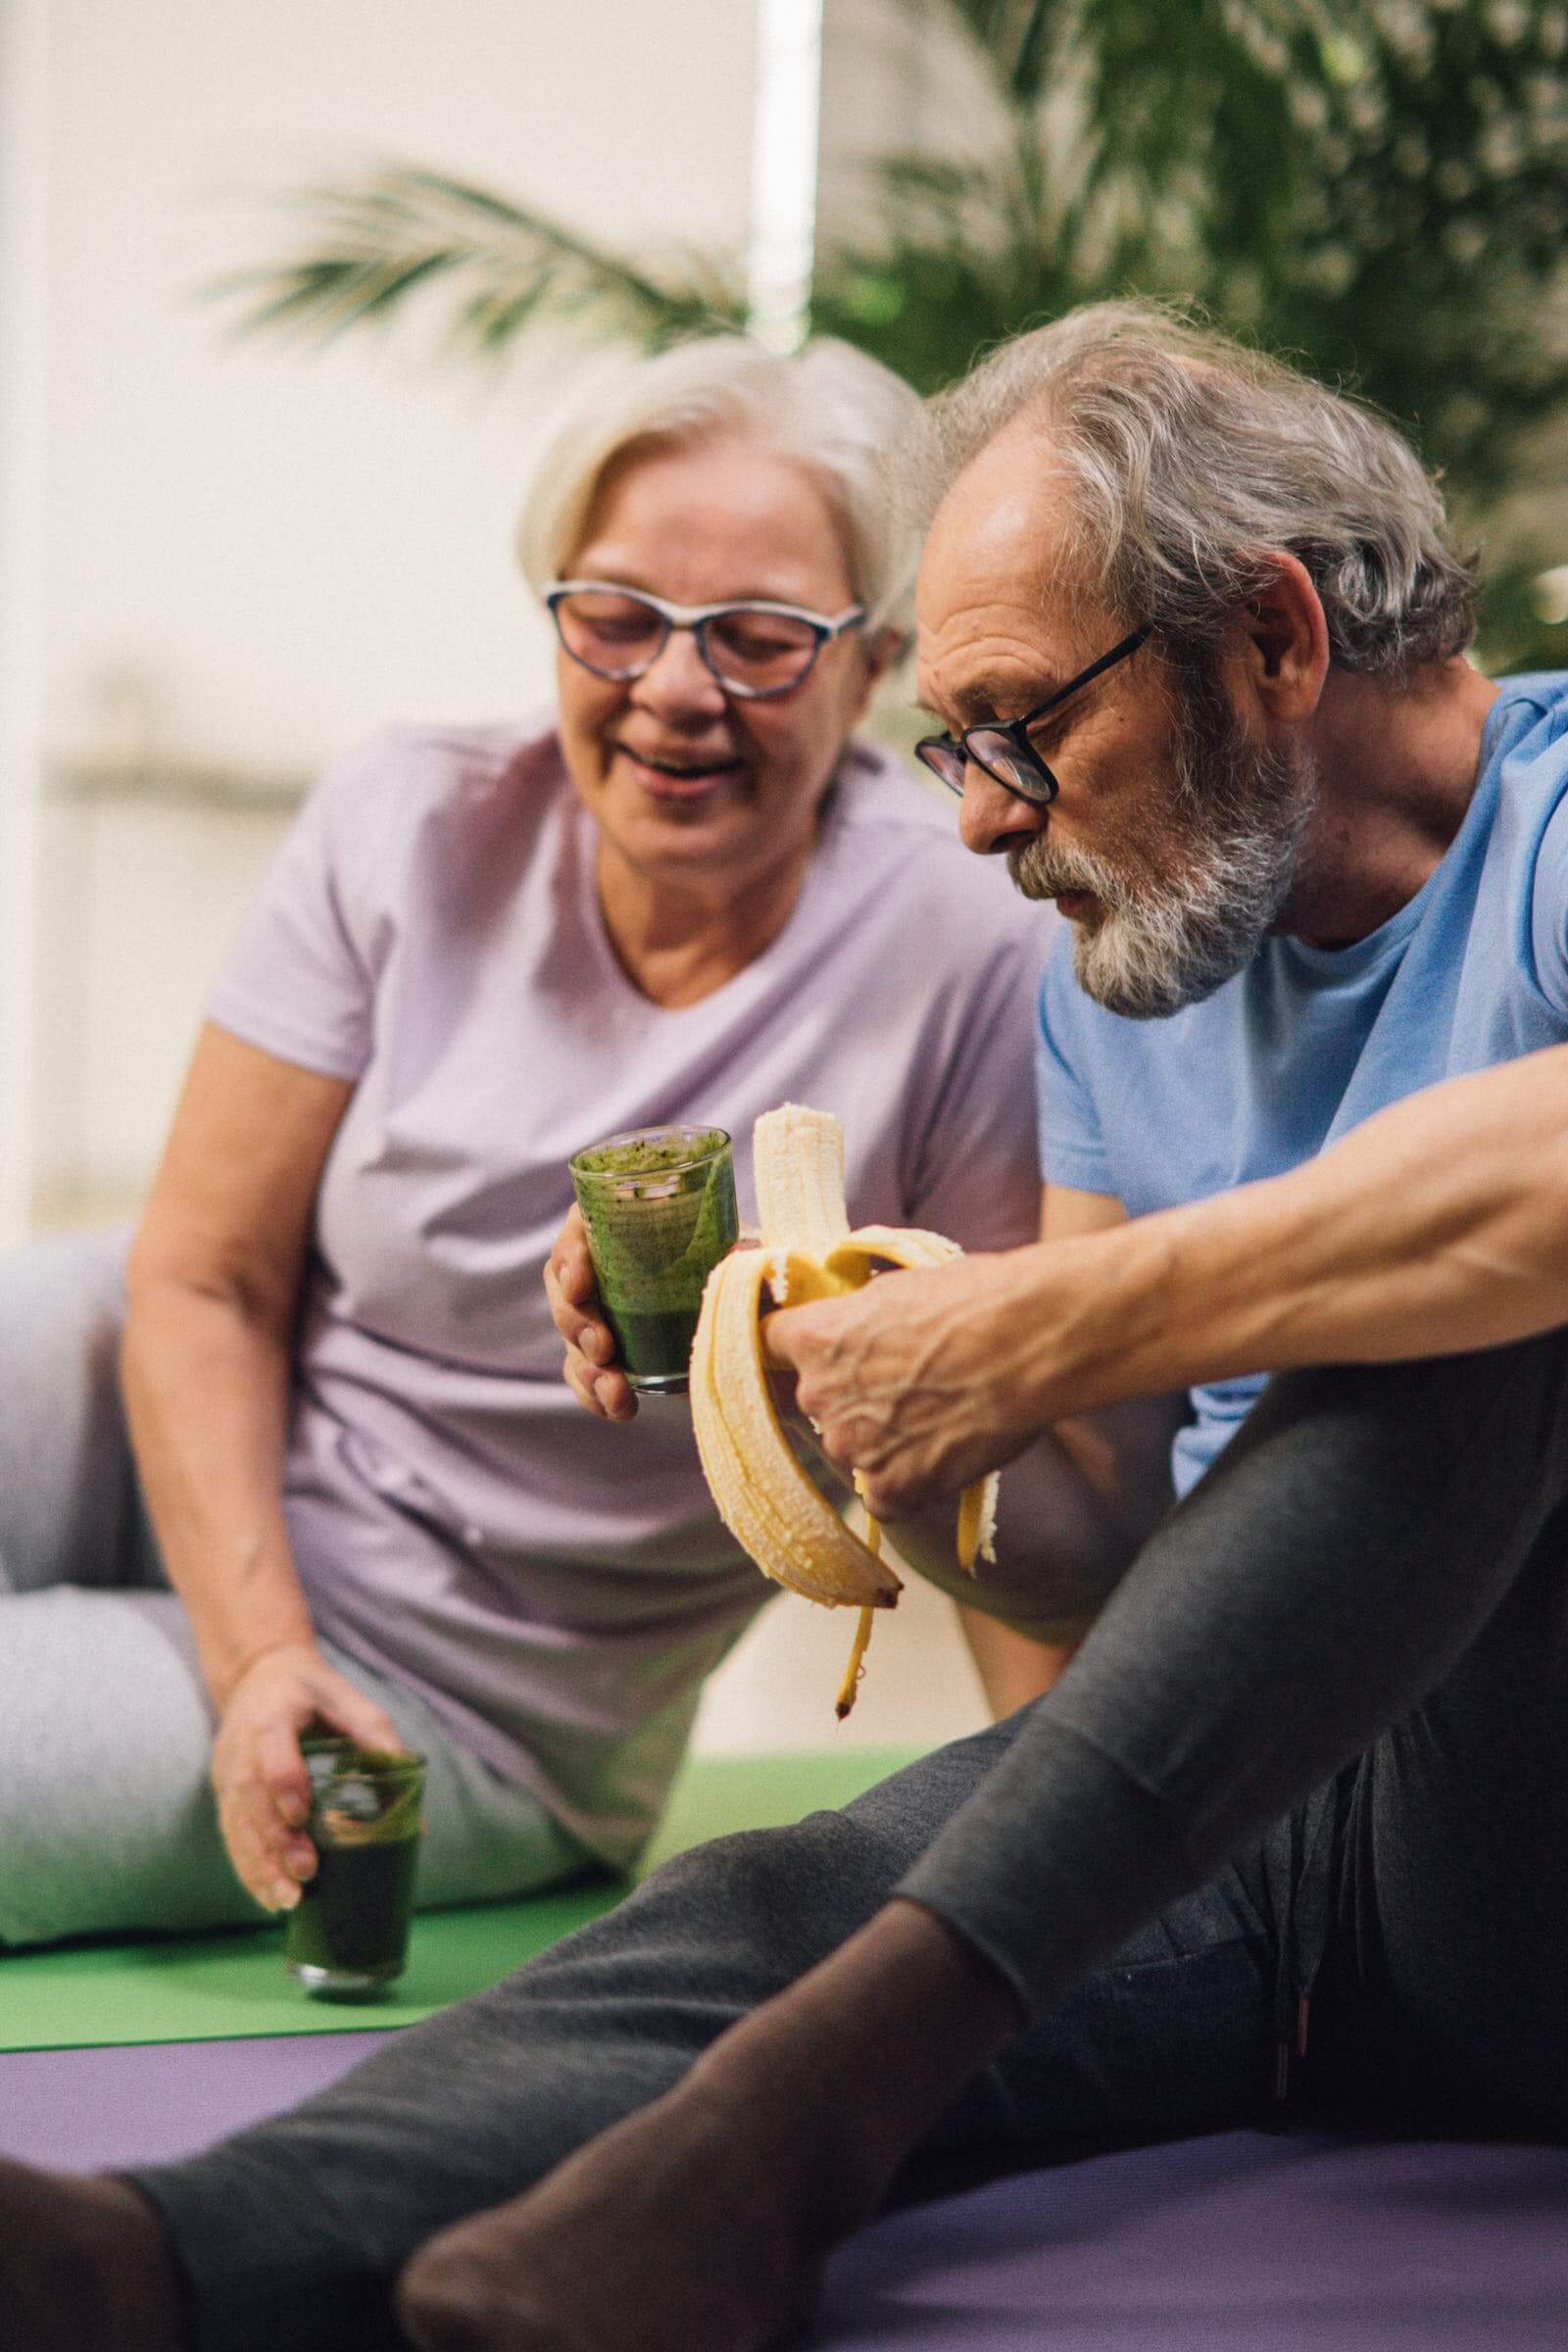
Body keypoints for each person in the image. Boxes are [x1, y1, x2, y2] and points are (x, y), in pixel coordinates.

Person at [8, 296, 1568, 2352]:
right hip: (1274, 1830)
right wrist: (853, 1400)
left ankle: (786, 2143)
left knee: (1470, 1318)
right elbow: (1102, 1542)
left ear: (1271, 638)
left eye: (1021, 727)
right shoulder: (1122, 973)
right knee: (763, 1908)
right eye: (960, 747)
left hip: (1523, 1818)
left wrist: (1041, 1321)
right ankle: (163, 2255)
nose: (987, 819)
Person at [0, 334, 1069, 1950]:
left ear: (870, 666)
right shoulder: (405, 818)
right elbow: (206, 1276)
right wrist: (252, 1639)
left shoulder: (972, 953)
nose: (676, 689)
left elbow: (996, 1471)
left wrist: (1073, 1897)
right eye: (619, 616)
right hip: (164, 1413)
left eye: (758, 638)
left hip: (452, 1687)